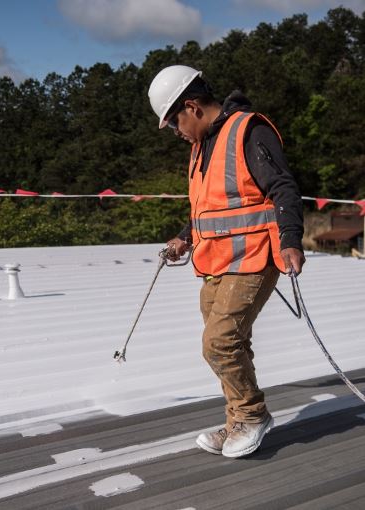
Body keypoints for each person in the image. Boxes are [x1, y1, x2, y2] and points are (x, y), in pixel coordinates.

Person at [148, 65, 305, 458]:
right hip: (215, 262)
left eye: (173, 122)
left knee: (219, 342)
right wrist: (185, 238)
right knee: (229, 344)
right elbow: (214, 207)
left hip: (254, 259)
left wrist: (290, 240)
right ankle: (237, 419)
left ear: (191, 107)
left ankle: (252, 416)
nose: (175, 132)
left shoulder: (248, 131)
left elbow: (282, 186)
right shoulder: (202, 146)